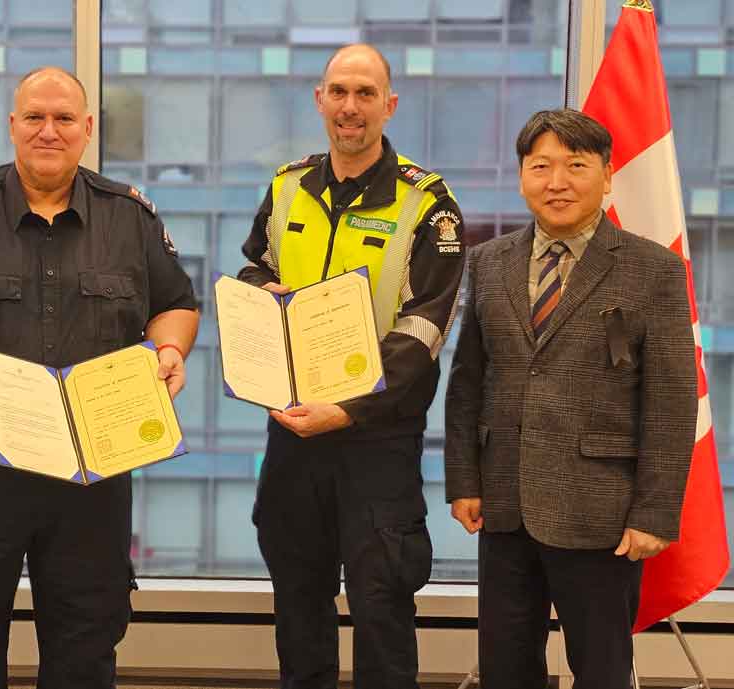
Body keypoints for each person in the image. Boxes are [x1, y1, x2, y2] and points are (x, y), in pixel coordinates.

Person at [0, 66, 199, 689]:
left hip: (93, 474)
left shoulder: (129, 217)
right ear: (12, 126)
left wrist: (169, 349)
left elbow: (176, 304)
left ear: (87, 128)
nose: (48, 131)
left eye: (63, 119)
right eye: (34, 117)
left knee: (86, 647)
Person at [443, 108, 698, 689]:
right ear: (522, 177)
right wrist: (464, 480)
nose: (556, 182)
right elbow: (467, 383)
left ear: (606, 176)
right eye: (541, 167)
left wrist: (654, 513)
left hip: (602, 512)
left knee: (602, 671)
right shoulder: (489, 261)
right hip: (504, 504)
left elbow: (671, 402)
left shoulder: (653, 269)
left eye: (575, 166)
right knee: (506, 668)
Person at [238, 44, 465, 689]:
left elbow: (423, 331)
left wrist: (345, 409)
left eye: (366, 94)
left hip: (376, 441)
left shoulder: (428, 203)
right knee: (297, 606)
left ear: (389, 105)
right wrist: (260, 293)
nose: (350, 106)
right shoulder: (288, 186)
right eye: (338, 91)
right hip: (292, 433)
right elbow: (255, 267)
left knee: (380, 606)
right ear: (320, 100)